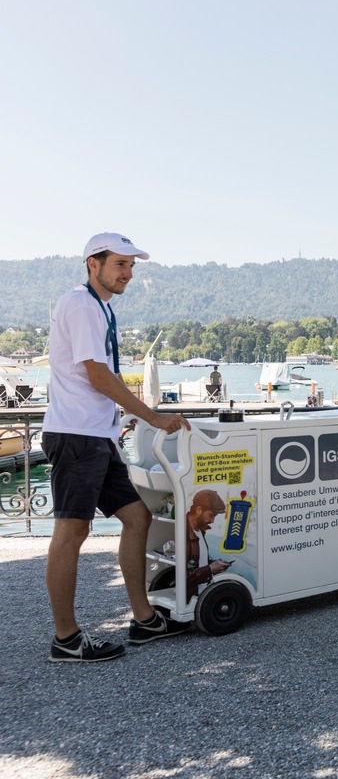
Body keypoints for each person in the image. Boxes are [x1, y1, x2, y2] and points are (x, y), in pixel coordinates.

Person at [44, 232, 192, 663]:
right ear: (94, 264)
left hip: (97, 435)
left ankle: (145, 621)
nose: (127, 274)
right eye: (120, 265)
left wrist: (120, 421)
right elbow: (97, 376)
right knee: (72, 532)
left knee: (137, 516)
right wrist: (151, 416)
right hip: (77, 436)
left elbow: (100, 377)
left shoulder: (100, 307)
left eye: (131, 267)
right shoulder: (81, 304)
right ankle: (66, 639)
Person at [185, 490, 233, 600]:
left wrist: (215, 564)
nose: (212, 521)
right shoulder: (183, 534)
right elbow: (181, 576)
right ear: (198, 510)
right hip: (190, 599)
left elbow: (196, 563)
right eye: (211, 515)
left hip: (201, 596)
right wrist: (210, 569)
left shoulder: (199, 530)